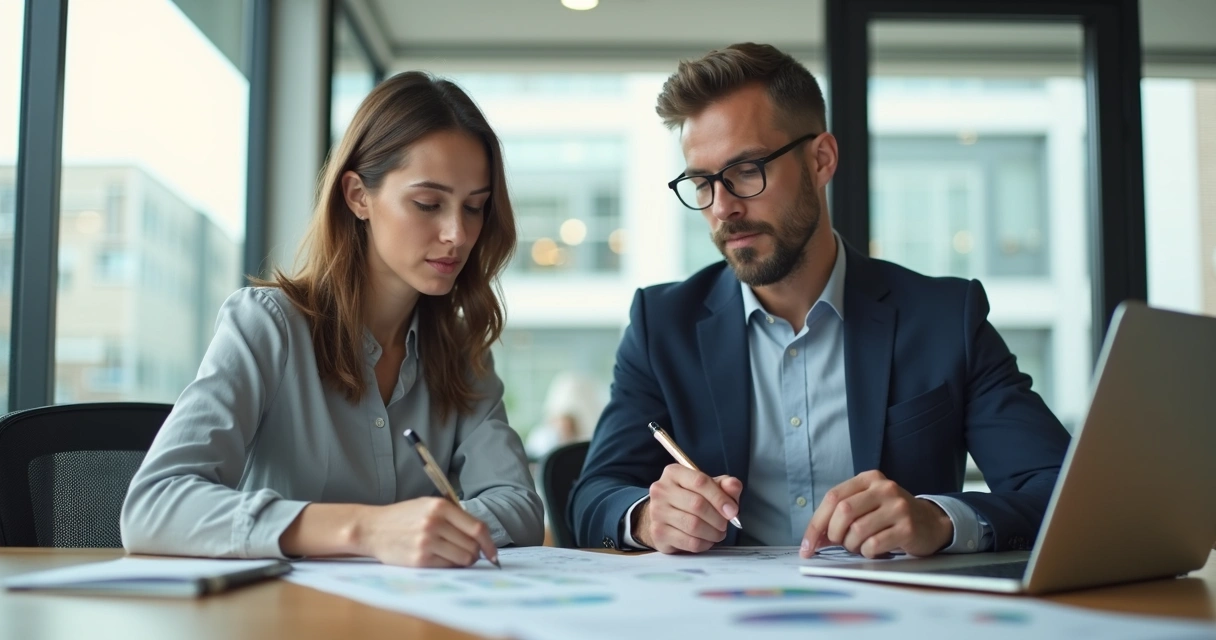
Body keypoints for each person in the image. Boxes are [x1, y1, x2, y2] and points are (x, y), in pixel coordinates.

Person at [569, 43, 1071, 559]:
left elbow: (1059, 487)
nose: (723, 208)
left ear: (821, 160)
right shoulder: (662, 325)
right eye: (702, 181)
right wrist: (650, 517)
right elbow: (593, 496)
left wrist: (939, 519)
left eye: (746, 171)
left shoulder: (945, 318)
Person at [121, 71, 544, 568]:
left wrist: (426, 531)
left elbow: (518, 508)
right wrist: (367, 530)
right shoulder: (267, 327)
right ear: (358, 196)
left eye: (475, 208)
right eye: (428, 204)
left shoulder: (462, 352)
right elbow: (153, 506)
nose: (457, 233)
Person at [524, 370, 606, 460]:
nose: (564, 424)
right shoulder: (541, 438)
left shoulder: (592, 441)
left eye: (569, 419)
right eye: (562, 417)